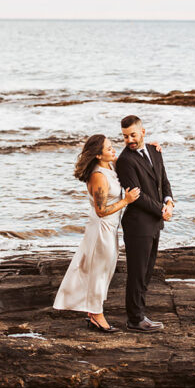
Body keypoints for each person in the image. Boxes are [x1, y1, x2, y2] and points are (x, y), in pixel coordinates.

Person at [53, 134, 141, 332]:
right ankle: (96, 315)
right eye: (108, 148)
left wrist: (151, 146)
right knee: (98, 272)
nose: (113, 150)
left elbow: (132, 156)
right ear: (99, 156)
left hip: (110, 228)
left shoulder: (109, 166)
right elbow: (101, 211)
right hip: (101, 229)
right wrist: (126, 201)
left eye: (111, 146)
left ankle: (93, 312)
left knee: (105, 270)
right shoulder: (98, 176)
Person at [115, 115, 175, 333]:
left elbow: (164, 181)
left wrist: (169, 202)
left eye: (132, 135)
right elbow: (137, 196)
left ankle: (140, 313)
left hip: (155, 223)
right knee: (137, 273)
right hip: (138, 225)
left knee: (147, 272)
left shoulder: (154, 151)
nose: (129, 140)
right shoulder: (124, 161)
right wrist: (161, 210)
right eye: (124, 136)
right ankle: (135, 319)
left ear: (143, 132)